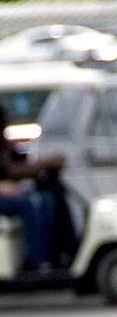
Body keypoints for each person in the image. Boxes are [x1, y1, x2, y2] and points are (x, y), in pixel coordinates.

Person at [0, 105, 64, 272]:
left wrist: (42, 164)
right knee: (31, 203)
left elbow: (20, 163)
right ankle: (37, 261)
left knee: (48, 198)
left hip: (10, 193)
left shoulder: (5, 145)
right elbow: (10, 170)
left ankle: (57, 253)